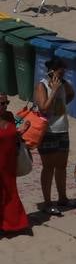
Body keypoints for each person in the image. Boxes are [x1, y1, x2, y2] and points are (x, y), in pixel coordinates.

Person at [33, 58, 75, 216]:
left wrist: (63, 86)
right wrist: (55, 91)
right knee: (48, 167)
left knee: (62, 166)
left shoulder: (63, 84)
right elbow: (43, 108)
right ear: (51, 71)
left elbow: (71, 95)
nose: (62, 73)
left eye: (64, 71)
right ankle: (47, 202)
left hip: (62, 129)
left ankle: (63, 198)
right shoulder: (42, 85)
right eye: (60, 71)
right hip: (47, 132)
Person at [0, 95, 28, 235]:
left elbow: (13, 135)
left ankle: (12, 224)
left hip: (10, 162)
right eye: (2, 103)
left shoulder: (10, 116)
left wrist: (21, 132)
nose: (5, 105)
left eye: (6, 102)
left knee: (10, 192)